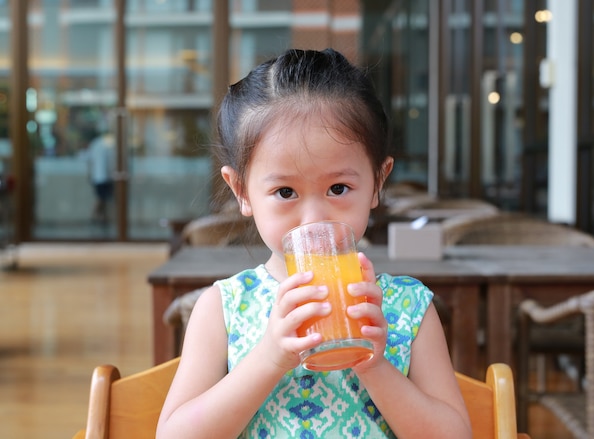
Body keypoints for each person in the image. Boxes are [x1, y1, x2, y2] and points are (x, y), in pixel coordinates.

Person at [156, 48, 471, 439]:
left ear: (378, 180)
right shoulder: (224, 307)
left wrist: (374, 366)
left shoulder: (408, 309)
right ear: (242, 191)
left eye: (338, 188)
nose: (314, 219)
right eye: (285, 191)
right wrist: (270, 357)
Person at [85, 127, 115, 222]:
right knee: (101, 198)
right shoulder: (107, 144)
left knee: (103, 198)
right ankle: (95, 216)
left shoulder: (95, 144)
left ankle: (102, 216)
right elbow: (111, 161)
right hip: (103, 176)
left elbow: (90, 160)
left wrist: (90, 174)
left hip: (98, 176)